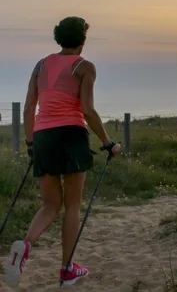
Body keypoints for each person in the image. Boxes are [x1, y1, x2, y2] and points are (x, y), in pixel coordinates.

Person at [4, 16, 121, 288]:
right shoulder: (85, 66)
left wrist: (31, 144)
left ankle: (25, 244)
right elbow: (88, 110)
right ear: (82, 40)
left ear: (58, 38)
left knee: (50, 205)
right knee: (72, 206)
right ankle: (67, 268)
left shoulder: (41, 64)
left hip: (43, 136)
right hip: (71, 134)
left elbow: (28, 107)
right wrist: (107, 141)